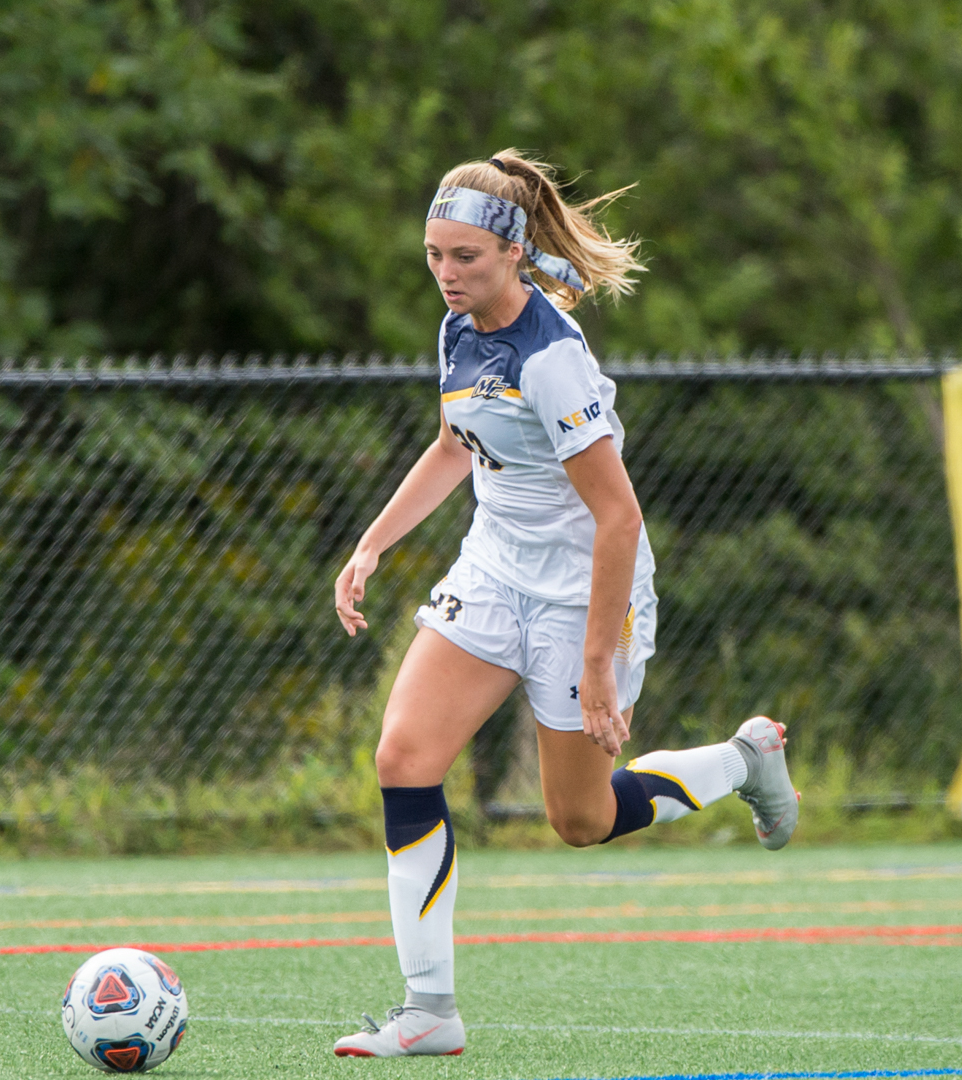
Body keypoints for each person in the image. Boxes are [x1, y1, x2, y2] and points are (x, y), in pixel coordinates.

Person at [329, 150, 799, 1059]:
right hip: (496, 566)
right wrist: (372, 541)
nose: (446, 273)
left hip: (588, 588)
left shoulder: (550, 359)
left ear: (511, 251)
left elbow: (618, 518)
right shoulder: (456, 328)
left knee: (579, 820)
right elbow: (453, 448)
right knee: (403, 755)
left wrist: (594, 667)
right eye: (433, 255)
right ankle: (430, 1009)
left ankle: (745, 760)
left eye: (464, 256)